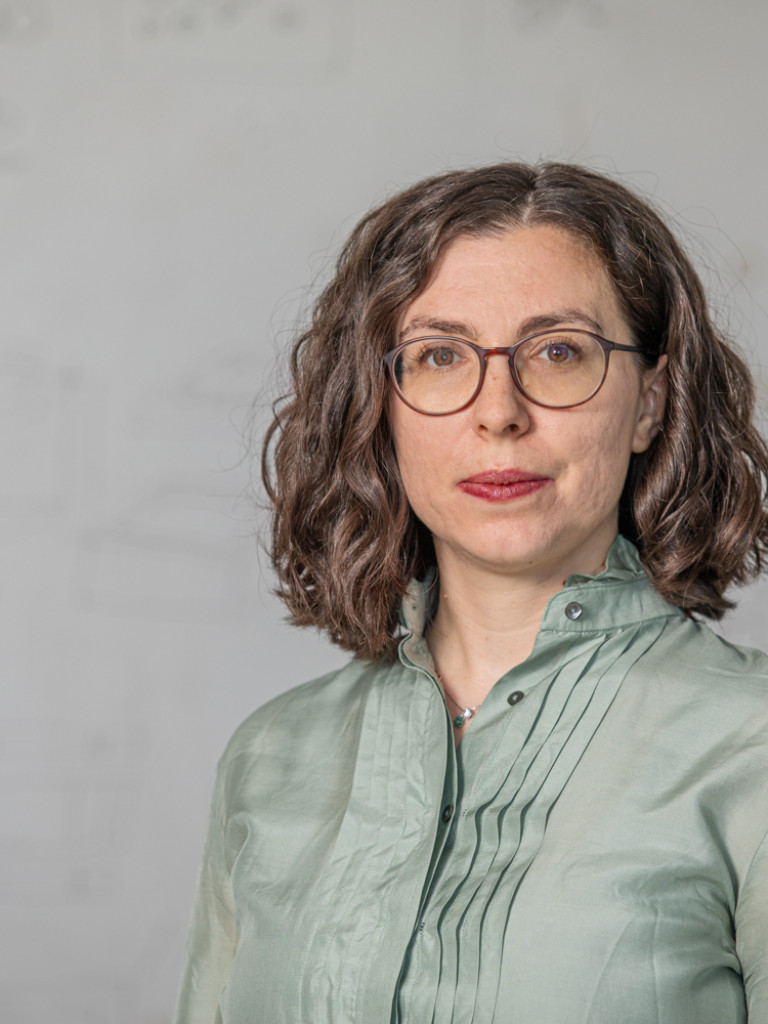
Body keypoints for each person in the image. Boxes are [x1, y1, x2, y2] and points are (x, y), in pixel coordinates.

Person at [173, 163, 768, 1024]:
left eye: (560, 352)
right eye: (440, 356)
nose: (498, 412)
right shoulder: (271, 758)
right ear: (382, 405)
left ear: (650, 402)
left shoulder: (752, 749)